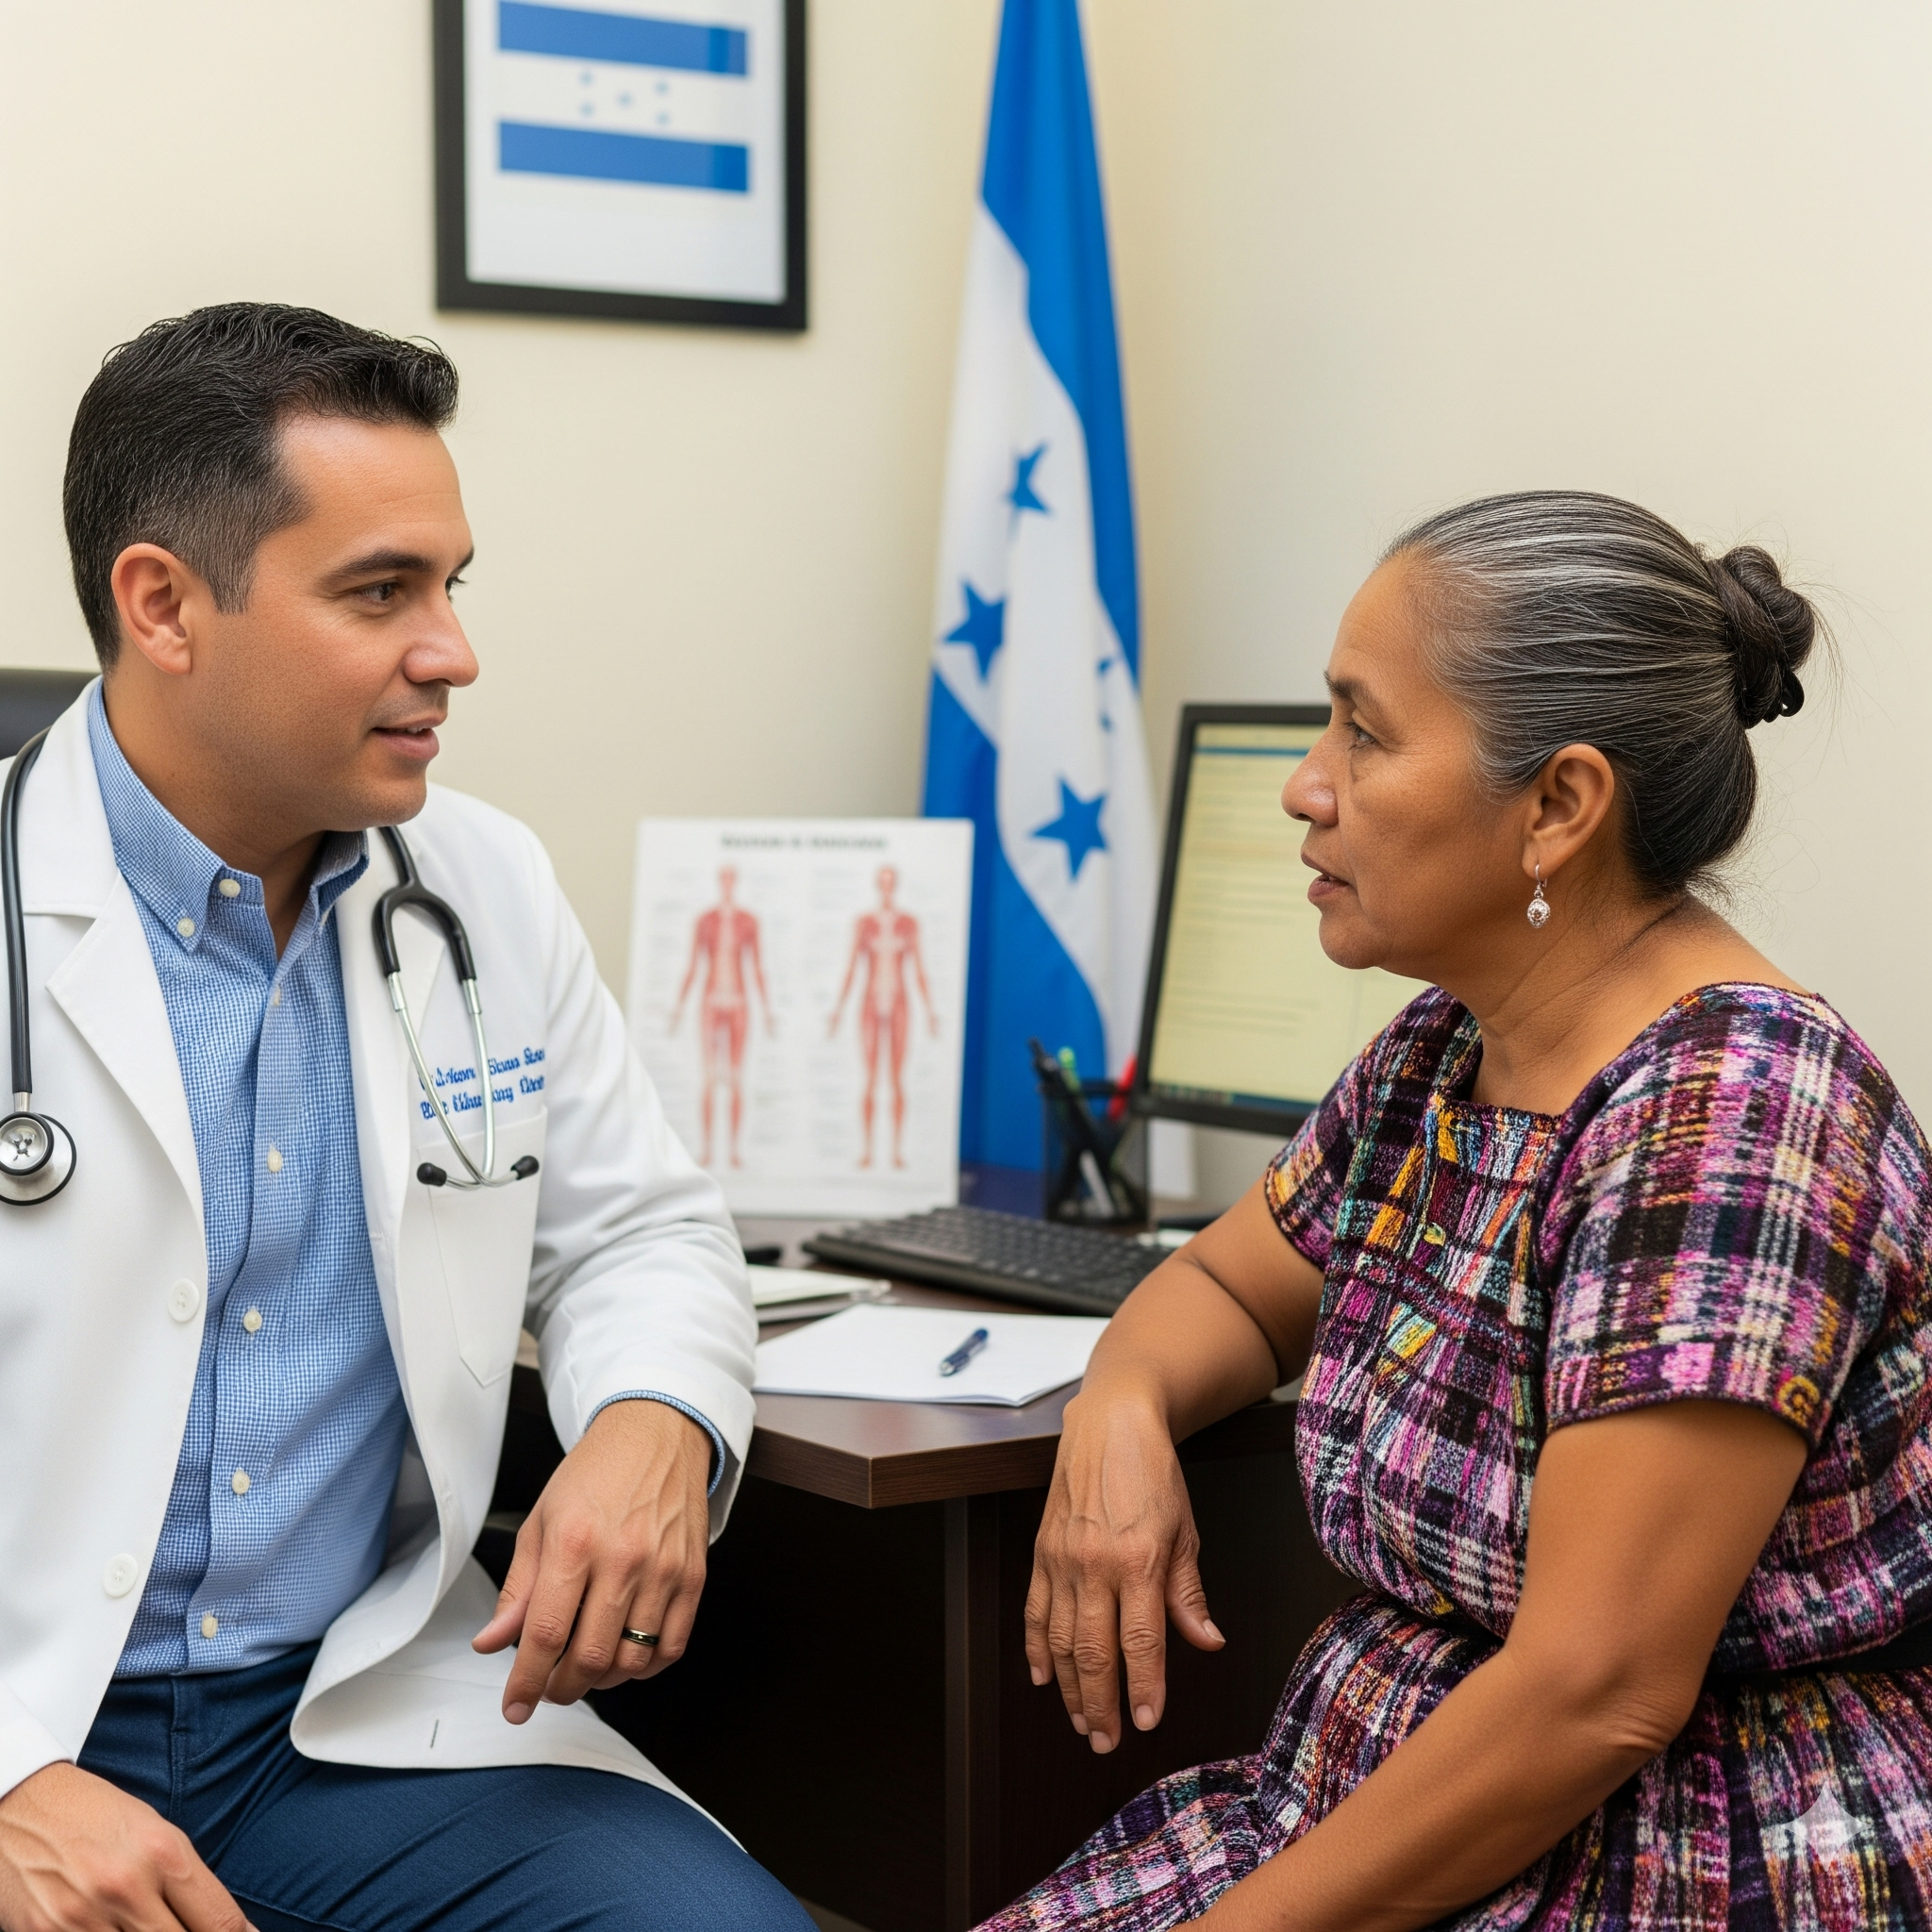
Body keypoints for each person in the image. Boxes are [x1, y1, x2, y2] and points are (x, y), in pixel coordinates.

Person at [985, 492, 1932, 1931]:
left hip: (1666, 1860)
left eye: (1363, 734)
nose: (1307, 786)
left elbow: (1593, 1696)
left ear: (1557, 806)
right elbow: (1232, 1293)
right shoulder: (1443, 1052)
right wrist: (1115, 1409)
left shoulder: (1736, 1112)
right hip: (1359, 1803)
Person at [0, 306, 812, 1931]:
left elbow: (640, 1229)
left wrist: (653, 1415)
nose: (451, 649)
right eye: (381, 591)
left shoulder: (480, 884)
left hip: (343, 1728)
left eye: (449, 583)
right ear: (160, 603)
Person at [827, 863, 939, 1169]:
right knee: (871, 1078)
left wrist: (930, 1010)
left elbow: (918, 969)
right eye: (883, 882)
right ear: (879, 885)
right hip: (871, 1002)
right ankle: (867, 1150)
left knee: (897, 1078)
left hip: (900, 1002)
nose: (887, 887)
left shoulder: (908, 923)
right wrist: (838, 1008)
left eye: (892, 882)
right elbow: (852, 965)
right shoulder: (864, 922)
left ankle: (896, 1151)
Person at [669, 865, 773, 1168]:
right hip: (711, 1000)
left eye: (731, 879)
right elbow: (693, 964)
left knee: (736, 1078)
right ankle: (707, 1150)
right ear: (719, 882)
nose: (727, 884)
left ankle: (734, 1150)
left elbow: (757, 967)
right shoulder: (706, 920)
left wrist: (766, 1010)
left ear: (735, 882)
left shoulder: (748, 921)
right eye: (723, 879)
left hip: (739, 1000)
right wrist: (678, 1006)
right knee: (711, 1078)